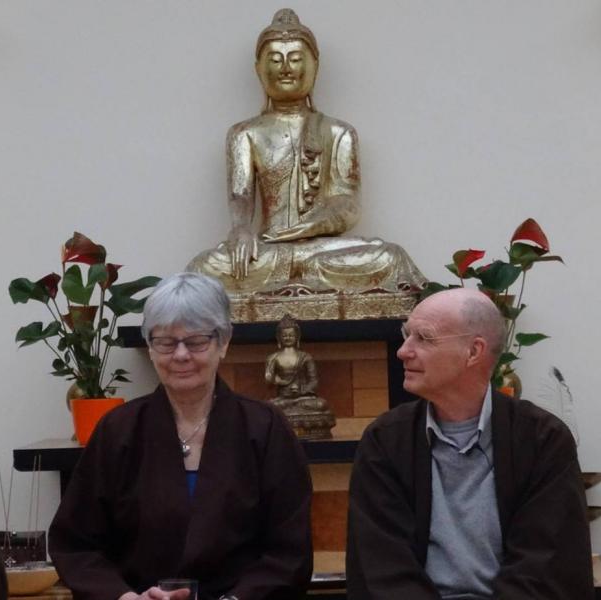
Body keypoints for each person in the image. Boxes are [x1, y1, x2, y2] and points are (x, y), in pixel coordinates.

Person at [49, 273, 313, 600]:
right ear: (150, 346)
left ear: (224, 342)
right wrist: (124, 597)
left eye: (196, 341)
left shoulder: (265, 429)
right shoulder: (118, 430)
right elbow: (76, 545)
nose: (181, 355)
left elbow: (290, 553)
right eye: (166, 342)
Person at [346, 288, 594, 600]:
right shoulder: (385, 440)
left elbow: (546, 565)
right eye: (407, 335)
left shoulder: (543, 439)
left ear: (474, 352)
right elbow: (381, 565)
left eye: (423, 338)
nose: (403, 351)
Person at [186, 9, 424, 295]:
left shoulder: (338, 132)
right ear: (259, 69)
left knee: (390, 257)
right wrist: (241, 230)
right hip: (268, 250)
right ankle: (299, 275)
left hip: (319, 248)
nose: (286, 68)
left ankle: (300, 274)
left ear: (315, 67)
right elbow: (241, 197)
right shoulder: (244, 133)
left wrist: (311, 225)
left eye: (296, 59)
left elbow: (347, 204)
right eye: (276, 60)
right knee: (203, 268)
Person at [265, 313, 335, 439]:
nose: (288, 338)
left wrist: (302, 390)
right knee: (269, 408)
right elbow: (268, 379)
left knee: (321, 405)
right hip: (283, 399)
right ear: (279, 337)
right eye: (284, 335)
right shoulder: (273, 357)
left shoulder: (305, 357)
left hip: (303, 398)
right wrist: (277, 381)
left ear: (297, 336)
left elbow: (314, 381)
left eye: (291, 335)